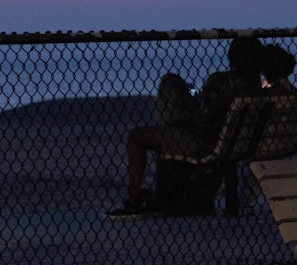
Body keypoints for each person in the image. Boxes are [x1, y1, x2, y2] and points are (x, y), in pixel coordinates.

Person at [109, 36, 263, 217]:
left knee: (138, 135)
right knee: (172, 101)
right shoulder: (258, 88)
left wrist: (193, 105)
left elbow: (202, 121)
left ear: (231, 57)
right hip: (234, 143)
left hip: (204, 143)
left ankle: (134, 202)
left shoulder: (219, 81)